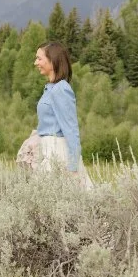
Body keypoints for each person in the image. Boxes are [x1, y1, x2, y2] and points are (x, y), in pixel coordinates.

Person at [33, 41, 93, 188]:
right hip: (48, 155)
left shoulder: (61, 89)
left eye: (39, 58)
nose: (36, 63)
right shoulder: (50, 88)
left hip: (58, 155)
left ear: (52, 61)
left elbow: (71, 130)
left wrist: (73, 168)